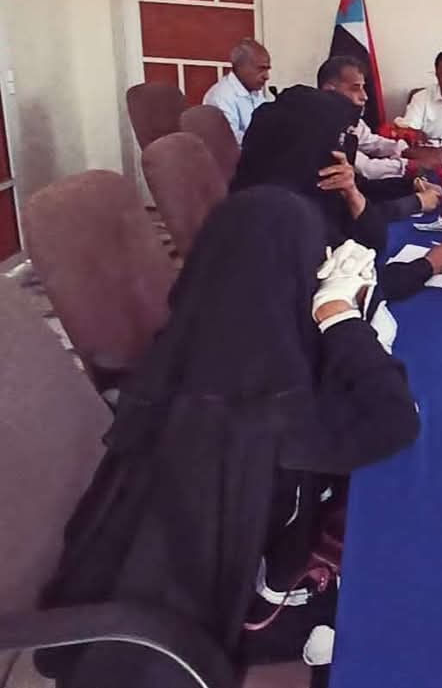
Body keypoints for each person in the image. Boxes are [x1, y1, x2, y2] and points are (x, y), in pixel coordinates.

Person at [37, 188, 422, 687]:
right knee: (410, 600)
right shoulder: (267, 410)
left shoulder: (190, 351)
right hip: (209, 628)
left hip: (176, 581)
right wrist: (338, 315)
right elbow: (393, 418)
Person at [232, 84, 442, 300]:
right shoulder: (277, 215)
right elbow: (349, 289)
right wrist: (428, 266)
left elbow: (372, 243)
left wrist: (352, 194)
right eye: (337, 139)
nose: (342, 149)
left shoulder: (310, 184)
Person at [317, 55, 442, 181]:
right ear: (329, 90)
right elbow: (366, 168)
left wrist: (406, 150)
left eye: (363, 88)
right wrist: (413, 165)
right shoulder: (320, 123)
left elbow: (369, 141)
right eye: (355, 88)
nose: (364, 96)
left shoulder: (346, 116)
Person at [203, 38, 271, 143]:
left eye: (267, 69)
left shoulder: (255, 90)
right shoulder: (221, 96)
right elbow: (231, 140)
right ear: (241, 67)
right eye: (261, 69)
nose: (267, 76)